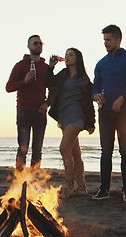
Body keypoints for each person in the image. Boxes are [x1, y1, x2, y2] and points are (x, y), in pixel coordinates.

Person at [91, 25, 126, 201]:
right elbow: (95, 86)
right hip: (104, 112)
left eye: (108, 40)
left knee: (125, 150)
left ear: (118, 40)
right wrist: (96, 94)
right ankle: (104, 189)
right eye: (104, 40)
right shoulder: (100, 64)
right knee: (105, 150)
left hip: (125, 112)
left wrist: (123, 97)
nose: (105, 43)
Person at [44, 48, 95, 197]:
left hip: (77, 117)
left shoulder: (83, 79)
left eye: (71, 55)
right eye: (66, 55)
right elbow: (47, 82)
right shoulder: (63, 75)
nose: (67, 57)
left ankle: (69, 187)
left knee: (64, 149)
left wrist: (91, 122)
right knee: (76, 154)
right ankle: (82, 187)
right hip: (64, 117)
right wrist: (51, 66)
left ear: (78, 58)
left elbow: (88, 103)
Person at [6, 35, 51, 170]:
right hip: (24, 110)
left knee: (37, 149)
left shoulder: (45, 67)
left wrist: (47, 103)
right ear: (29, 46)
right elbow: (9, 87)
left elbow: (54, 89)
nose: (38, 45)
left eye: (40, 43)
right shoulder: (20, 66)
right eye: (35, 43)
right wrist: (23, 81)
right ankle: (20, 179)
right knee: (23, 147)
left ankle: (34, 180)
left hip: (40, 111)